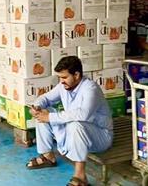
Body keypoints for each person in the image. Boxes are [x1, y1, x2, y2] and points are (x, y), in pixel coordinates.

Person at [26, 56, 113, 186]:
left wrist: (50, 117)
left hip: (100, 135)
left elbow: (83, 114)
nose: (61, 81)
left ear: (77, 75)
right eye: (60, 77)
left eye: (64, 77)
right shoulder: (64, 86)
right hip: (74, 130)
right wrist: (37, 106)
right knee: (44, 111)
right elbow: (46, 98)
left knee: (75, 124)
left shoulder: (90, 89)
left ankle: (80, 176)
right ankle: (48, 156)